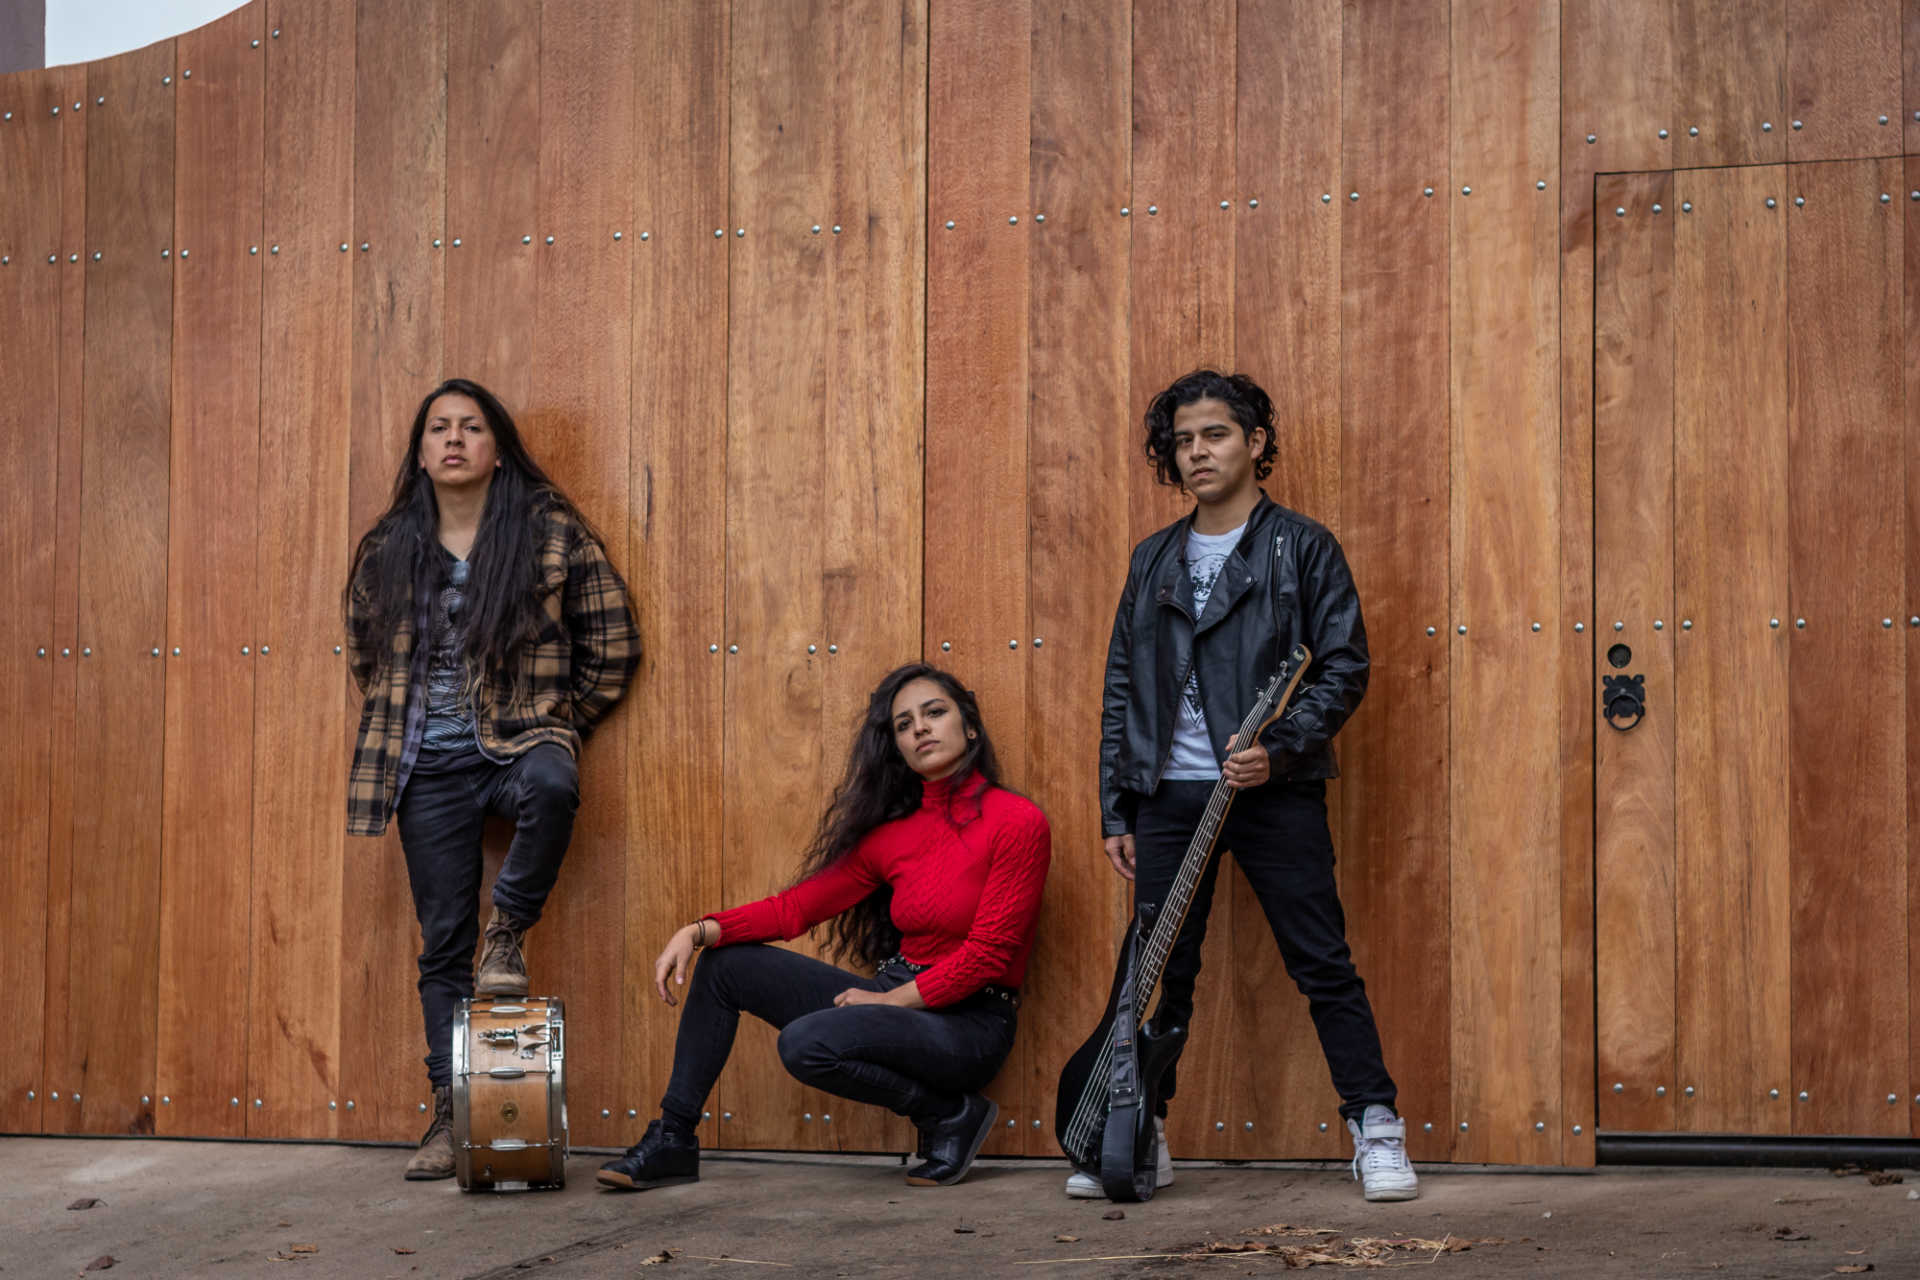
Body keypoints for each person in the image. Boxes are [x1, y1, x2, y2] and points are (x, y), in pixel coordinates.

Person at [1083, 369, 1416, 1203]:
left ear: (1255, 442)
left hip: (1272, 794)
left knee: (1321, 962)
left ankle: (1377, 1128)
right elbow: (1124, 685)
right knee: (1160, 974)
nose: (1197, 452)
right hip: (1168, 797)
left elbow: (1343, 667)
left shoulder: (1301, 546)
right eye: (1183, 441)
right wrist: (1118, 804)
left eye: (1215, 434)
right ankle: (1138, 1135)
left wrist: (1282, 746)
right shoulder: (1153, 557)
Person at [598, 664, 1050, 1193]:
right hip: (898, 996)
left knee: (806, 1043)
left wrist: (888, 1002)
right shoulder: (891, 836)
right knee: (726, 965)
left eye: (934, 713)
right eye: (904, 725)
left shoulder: (1017, 821)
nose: (921, 729)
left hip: (970, 1023)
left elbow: (988, 955)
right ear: (897, 747)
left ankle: (948, 1113)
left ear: (969, 727)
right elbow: (795, 909)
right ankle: (674, 1137)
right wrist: (698, 931)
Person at [343, 378, 641, 1181]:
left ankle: (507, 932)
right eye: (438, 428)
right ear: (420, 452)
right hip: (426, 765)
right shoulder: (388, 546)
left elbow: (614, 642)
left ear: (497, 449)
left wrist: (561, 717)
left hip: (518, 739)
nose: (453, 439)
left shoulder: (549, 531)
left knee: (553, 783)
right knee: (443, 944)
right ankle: (450, 1116)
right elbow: (366, 653)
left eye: (471, 427)